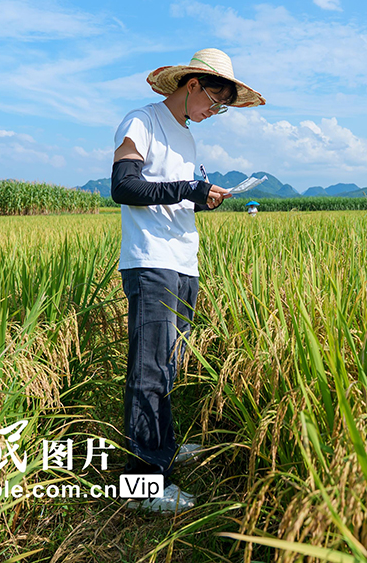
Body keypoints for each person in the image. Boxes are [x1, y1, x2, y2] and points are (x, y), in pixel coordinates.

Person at [110, 48, 265, 513]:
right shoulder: (142, 121)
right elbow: (123, 187)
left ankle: (164, 448)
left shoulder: (187, 138)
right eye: (213, 102)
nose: (213, 112)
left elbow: (174, 198)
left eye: (220, 109)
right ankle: (142, 485)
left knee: (170, 365)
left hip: (184, 261)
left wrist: (202, 199)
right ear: (193, 84)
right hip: (151, 259)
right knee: (149, 370)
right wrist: (187, 189)